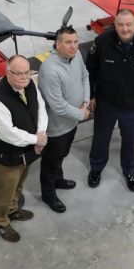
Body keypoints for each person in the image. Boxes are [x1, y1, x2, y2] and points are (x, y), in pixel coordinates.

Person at [86, 9, 134, 191]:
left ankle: (129, 170)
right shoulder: (102, 42)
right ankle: (96, 168)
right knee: (101, 138)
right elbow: (90, 71)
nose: (125, 29)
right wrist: (91, 96)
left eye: (129, 24)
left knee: (131, 140)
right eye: (120, 24)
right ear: (115, 25)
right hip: (106, 102)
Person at [0, 55, 47, 243]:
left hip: (27, 150)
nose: (24, 77)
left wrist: (40, 135)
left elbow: (40, 108)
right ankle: (1, 222)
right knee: (5, 189)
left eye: (27, 72)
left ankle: (13, 210)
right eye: (18, 73)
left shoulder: (30, 85)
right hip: (6, 156)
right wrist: (36, 138)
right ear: (7, 73)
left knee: (19, 182)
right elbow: (7, 133)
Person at [37, 27, 90, 212]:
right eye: (68, 42)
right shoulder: (50, 70)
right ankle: (48, 195)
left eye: (75, 42)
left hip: (72, 123)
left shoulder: (76, 57)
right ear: (57, 44)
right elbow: (58, 106)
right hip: (56, 128)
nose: (73, 46)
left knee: (62, 155)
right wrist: (82, 114)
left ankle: (58, 180)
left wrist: (85, 100)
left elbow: (85, 75)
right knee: (50, 163)